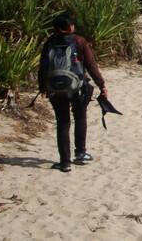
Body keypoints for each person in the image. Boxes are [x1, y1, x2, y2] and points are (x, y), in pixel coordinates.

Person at [38, 14, 108, 172]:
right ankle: (81, 153)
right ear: (69, 27)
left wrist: (43, 87)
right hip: (77, 87)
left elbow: (42, 66)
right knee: (80, 116)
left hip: (55, 88)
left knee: (63, 123)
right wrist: (101, 85)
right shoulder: (79, 41)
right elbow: (91, 65)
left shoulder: (49, 42)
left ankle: (64, 163)